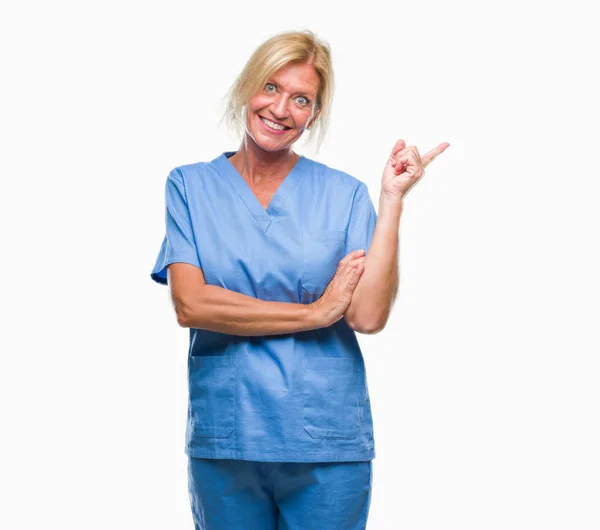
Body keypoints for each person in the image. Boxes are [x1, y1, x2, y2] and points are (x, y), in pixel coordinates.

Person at [150, 29, 449, 530]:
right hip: (229, 436)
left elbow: (368, 316)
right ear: (247, 88)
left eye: (301, 99)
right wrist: (314, 313)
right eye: (270, 87)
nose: (280, 109)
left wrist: (392, 200)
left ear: (313, 114)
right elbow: (191, 305)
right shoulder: (190, 185)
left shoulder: (346, 194)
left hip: (325, 441)